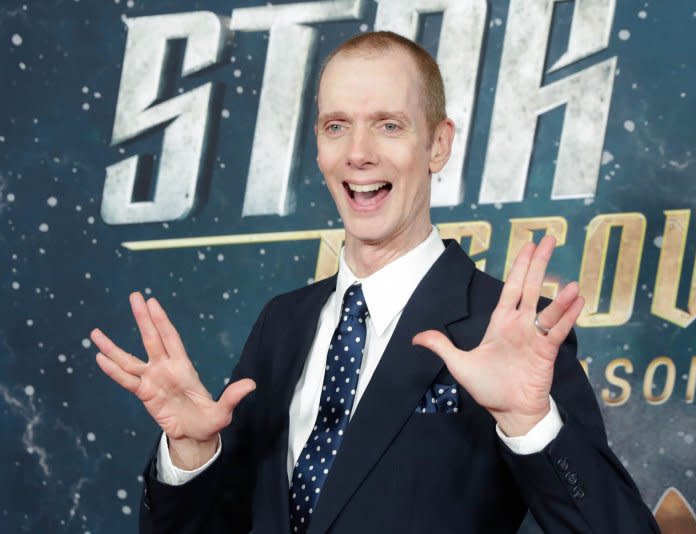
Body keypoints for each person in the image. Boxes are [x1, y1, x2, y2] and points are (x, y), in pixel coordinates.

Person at [91, 31, 659, 533]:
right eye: (337, 126)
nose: (359, 154)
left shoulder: (506, 328)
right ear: (318, 146)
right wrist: (191, 455)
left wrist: (530, 424)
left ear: (438, 144)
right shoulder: (281, 325)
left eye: (389, 125)